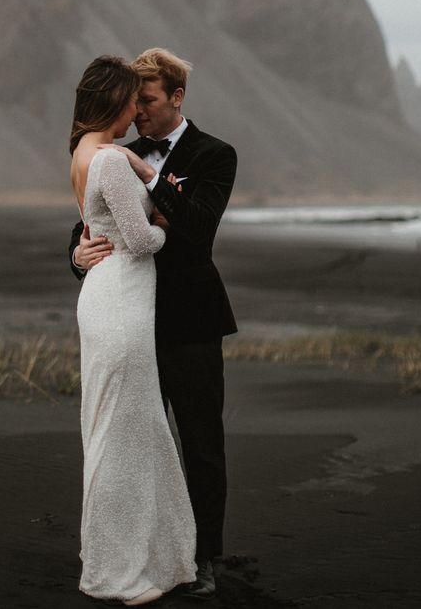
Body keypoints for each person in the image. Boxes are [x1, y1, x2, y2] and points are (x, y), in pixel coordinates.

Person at [70, 48, 238, 601]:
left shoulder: (216, 155)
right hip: (129, 320)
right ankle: (143, 550)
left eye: (147, 100)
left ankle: (205, 556)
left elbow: (197, 228)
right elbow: (89, 224)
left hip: (190, 321)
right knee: (136, 441)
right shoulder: (117, 153)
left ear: (176, 97)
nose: (137, 111)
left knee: (200, 443)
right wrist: (78, 255)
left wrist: (152, 178)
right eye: (132, 101)